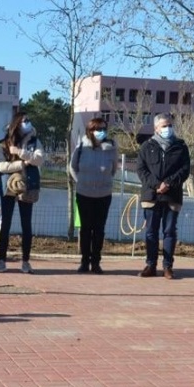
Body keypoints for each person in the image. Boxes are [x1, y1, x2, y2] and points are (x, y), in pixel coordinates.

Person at [136, 113, 190, 279]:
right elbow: (141, 169)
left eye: (169, 125)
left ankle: (168, 266)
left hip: (172, 196)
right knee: (151, 232)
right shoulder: (147, 146)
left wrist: (168, 183)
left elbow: (185, 169)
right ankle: (150, 265)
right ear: (156, 128)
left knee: (169, 231)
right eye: (164, 126)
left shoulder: (181, 146)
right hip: (151, 196)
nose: (168, 128)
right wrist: (156, 184)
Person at [0, 112, 44, 274]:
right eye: (24, 121)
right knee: (5, 223)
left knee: (26, 224)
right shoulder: (3, 143)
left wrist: (21, 152)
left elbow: (39, 159)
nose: (27, 123)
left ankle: (26, 262)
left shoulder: (35, 141)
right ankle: (1, 261)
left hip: (27, 185)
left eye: (28, 120)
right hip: (8, 185)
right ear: (16, 123)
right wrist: (22, 164)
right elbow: (0, 166)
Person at [69, 117, 118, 274]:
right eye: (97, 129)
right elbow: (73, 167)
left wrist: (104, 181)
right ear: (90, 131)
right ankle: (84, 261)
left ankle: (96, 262)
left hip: (104, 194)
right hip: (84, 193)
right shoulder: (82, 146)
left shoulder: (111, 148)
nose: (101, 132)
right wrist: (81, 182)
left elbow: (114, 169)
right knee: (85, 229)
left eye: (103, 129)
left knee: (99, 229)